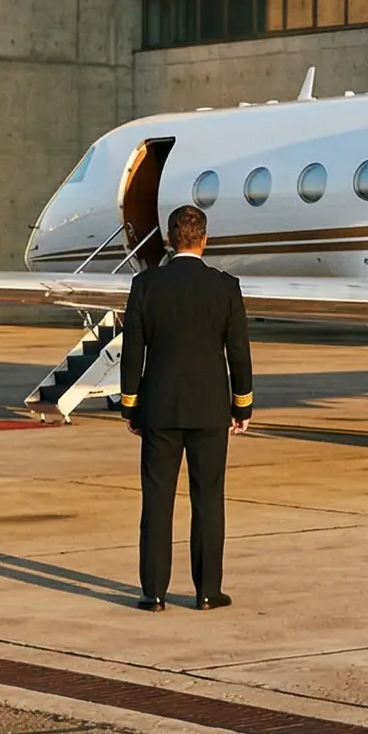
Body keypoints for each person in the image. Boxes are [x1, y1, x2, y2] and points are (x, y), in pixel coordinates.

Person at [118, 204, 252, 611]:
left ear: (169, 240)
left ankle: (153, 592)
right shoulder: (225, 287)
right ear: (204, 239)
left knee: (156, 502)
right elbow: (239, 354)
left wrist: (130, 406)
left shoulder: (146, 286)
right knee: (208, 500)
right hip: (211, 409)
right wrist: (241, 405)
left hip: (159, 408)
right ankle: (208, 591)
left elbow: (132, 353)